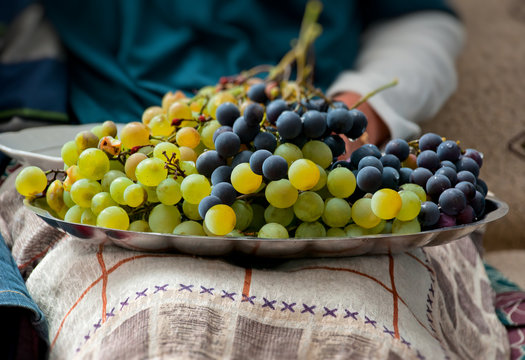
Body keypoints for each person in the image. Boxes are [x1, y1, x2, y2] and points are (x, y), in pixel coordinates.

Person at [2, 1, 513, 359]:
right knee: (153, 325)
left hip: (327, 156)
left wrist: (362, 109)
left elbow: (420, 18)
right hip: (122, 162)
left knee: (366, 326)